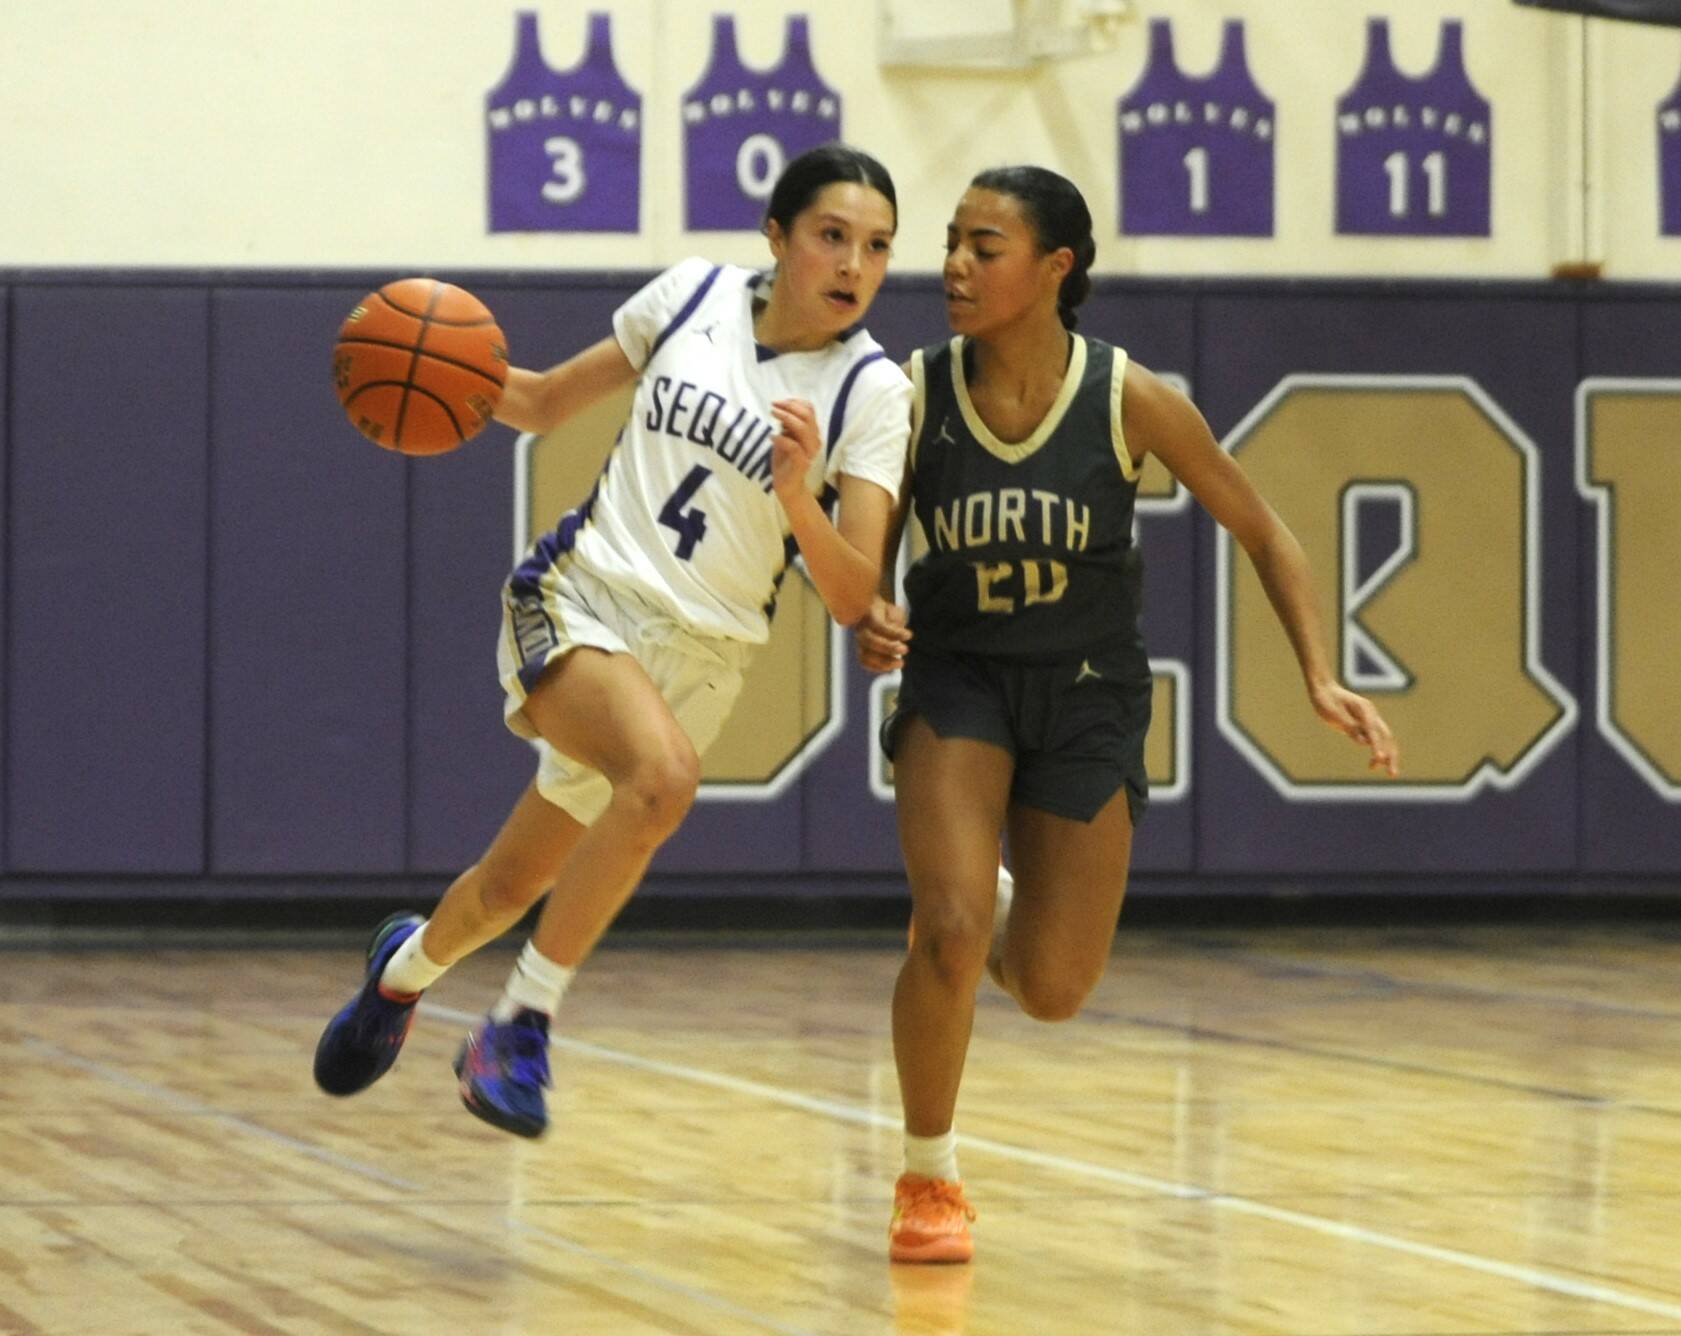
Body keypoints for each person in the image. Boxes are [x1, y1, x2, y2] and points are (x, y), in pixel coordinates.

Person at [854, 166, 1400, 1263]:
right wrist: (863, 604)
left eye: (985, 245)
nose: (954, 265)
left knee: (1052, 987)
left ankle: (971, 901)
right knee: (954, 933)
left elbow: (1265, 531)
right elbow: (859, 554)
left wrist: (1317, 670)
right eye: (951, 242)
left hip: (1091, 695)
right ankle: (929, 1176)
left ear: (1055, 267)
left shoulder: (1127, 397)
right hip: (959, 682)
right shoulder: (908, 392)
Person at [313, 143, 912, 1139]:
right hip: (584, 598)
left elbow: (855, 591)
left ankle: (402, 970)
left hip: (705, 659)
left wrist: (800, 496)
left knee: (505, 889)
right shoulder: (691, 295)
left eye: (878, 247)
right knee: (663, 779)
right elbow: (544, 403)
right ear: (777, 237)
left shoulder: (872, 393)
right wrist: (419, 366)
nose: (854, 264)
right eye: (832, 237)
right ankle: (520, 1026)